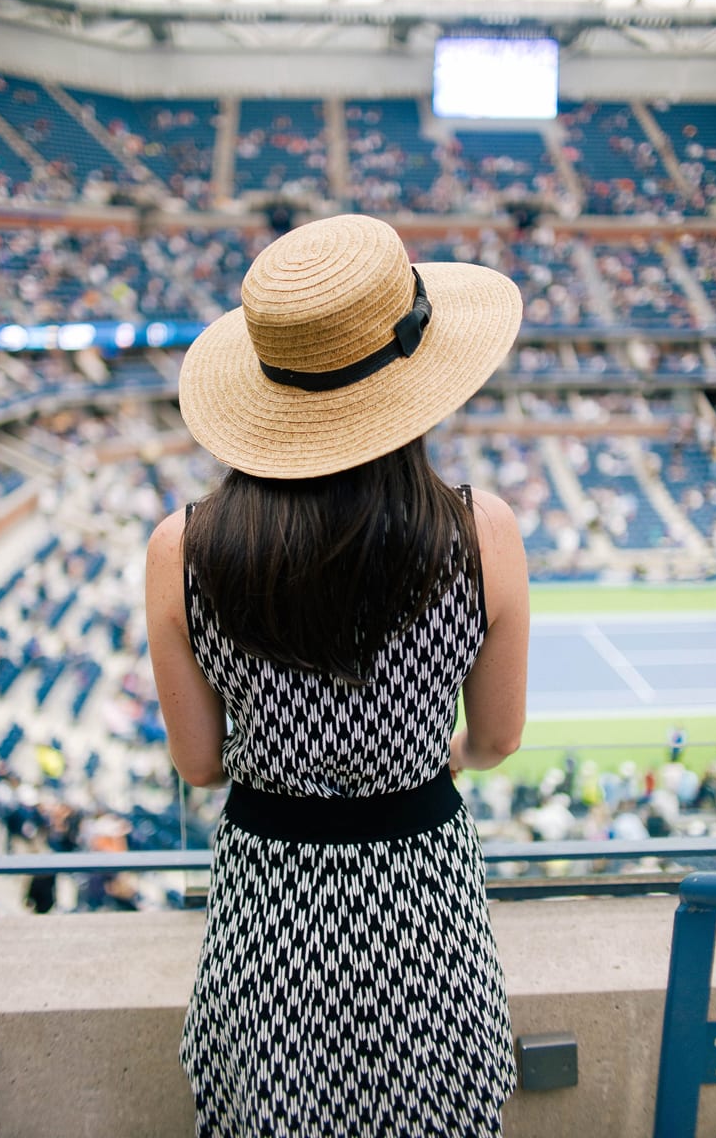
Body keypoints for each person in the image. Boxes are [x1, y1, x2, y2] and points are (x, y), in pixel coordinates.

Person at [145, 213, 529, 1138]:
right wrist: (417, 749)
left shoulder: (182, 551)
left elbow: (200, 765)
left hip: (267, 910)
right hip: (424, 902)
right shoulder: (485, 536)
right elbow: (497, 741)